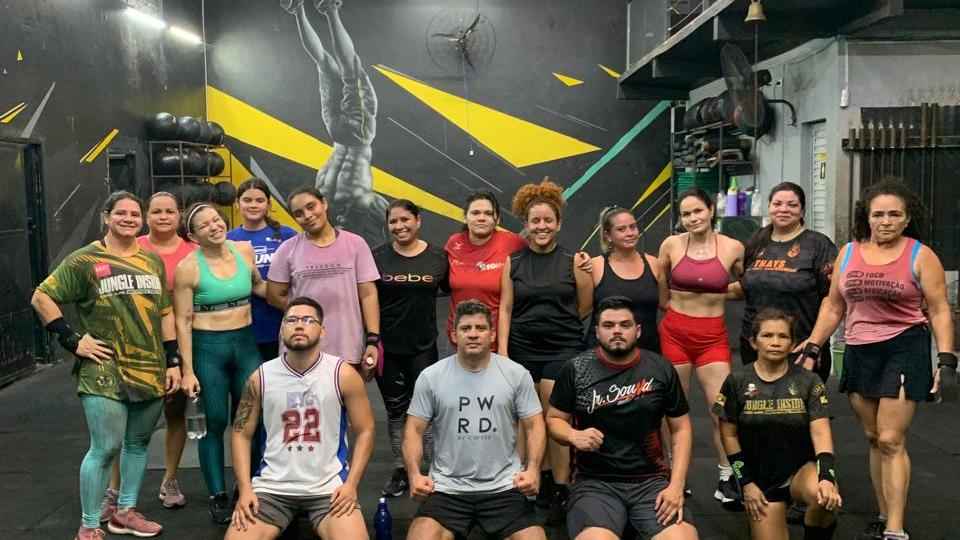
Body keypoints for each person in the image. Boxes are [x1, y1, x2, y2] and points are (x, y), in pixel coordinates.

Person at [799, 180, 956, 540]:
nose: (886, 221)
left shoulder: (920, 255)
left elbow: (939, 310)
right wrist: (813, 347)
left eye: (894, 214)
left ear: (907, 218)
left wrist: (946, 361)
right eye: (878, 214)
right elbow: (834, 305)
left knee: (890, 439)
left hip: (904, 347)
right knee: (872, 437)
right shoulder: (849, 252)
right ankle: (884, 515)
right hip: (859, 348)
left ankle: (896, 530)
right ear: (866, 217)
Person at [31, 191, 181, 540]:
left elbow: (165, 313)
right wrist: (72, 340)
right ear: (106, 217)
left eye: (134, 214)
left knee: (138, 443)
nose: (128, 219)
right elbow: (41, 296)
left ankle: (124, 512)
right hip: (104, 368)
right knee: (106, 447)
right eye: (121, 213)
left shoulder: (151, 260)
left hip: (149, 367)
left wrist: (173, 361)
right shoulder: (85, 259)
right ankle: (88, 525)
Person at [546, 296, 698, 540]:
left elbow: (681, 428)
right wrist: (573, 435)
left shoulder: (660, 368)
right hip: (595, 484)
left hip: (651, 481)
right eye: (609, 325)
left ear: (638, 331)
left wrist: (676, 485)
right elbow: (554, 419)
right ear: (597, 332)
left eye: (625, 325)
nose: (617, 331)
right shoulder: (576, 369)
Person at [226, 297, 375, 540]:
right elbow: (241, 433)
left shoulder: (342, 374)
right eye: (291, 320)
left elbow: (366, 429)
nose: (299, 325)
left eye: (308, 320)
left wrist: (351, 485)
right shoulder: (261, 377)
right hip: (272, 488)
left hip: (328, 488)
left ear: (322, 331)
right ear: (281, 328)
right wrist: (245, 489)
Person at [403, 300, 547, 540]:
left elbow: (535, 426)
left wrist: (533, 470)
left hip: (503, 488)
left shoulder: (516, 374)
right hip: (448, 489)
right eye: (465, 328)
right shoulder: (431, 377)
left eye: (480, 328)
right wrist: (414, 475)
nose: (473, 334)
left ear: (492, 334)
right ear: (453, 335)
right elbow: (414, 431)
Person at [498, 179, 593, 523]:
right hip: (522, 349)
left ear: (559, 224)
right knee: (528, 419)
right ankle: (533, 480)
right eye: (535, 220)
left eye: (548, 220)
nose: (541, 226)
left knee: (555, 416)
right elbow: (505, 309)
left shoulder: (574, 261)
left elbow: (584, 306)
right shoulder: (513, 262)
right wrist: (503, 354)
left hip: (562, 349)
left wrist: (558, 328)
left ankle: (562, 487)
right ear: (525, 224)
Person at [174, 203, 267, 524]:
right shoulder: (188, 268)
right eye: (205, 225)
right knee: (213, 423)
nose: (214, 227)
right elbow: (183, 321)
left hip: (245, 346)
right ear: (193, 236)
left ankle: (247, 487)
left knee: (249, 420)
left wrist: (295, 297)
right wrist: (187, 371)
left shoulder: (244, 251)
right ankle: (218, 495)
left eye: (216, 220)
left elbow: (259, 286)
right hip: (207, 350)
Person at [714, 308, 841, 540]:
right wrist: (746, 484)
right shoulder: (737, 382)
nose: (775, 342)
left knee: (825, 499)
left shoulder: (809, 381)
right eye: (767, 335)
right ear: (754, 342)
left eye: (783, 336)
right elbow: (729, 436)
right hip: (761, 480)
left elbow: (821, 433)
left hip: (801, 470)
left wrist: (826, 477)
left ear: (792, 344)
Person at [658, 187, 744, 506]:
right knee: (673, 410)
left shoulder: (733, 247)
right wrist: (672, 306)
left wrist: (720, 291)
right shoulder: (672, 244)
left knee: (720, 409)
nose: (692, 218)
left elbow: (750, 283)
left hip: (713, 337)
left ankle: (727, 476)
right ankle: (671, 474)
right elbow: (660, 283)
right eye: (686, 214)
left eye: (698, 211)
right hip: (675, 334)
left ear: (711, 210)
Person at [282, 0, 388, 243]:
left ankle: (301, 10)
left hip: (343, 137)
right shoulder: (357, 201)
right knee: (347, 71)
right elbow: (388, 220)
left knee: (329, 65)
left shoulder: (334, 200)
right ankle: (324, 10)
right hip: (352, 136)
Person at [372, 199, 448, 497]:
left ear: (418, 220)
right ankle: (403, 470)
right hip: (387, 348)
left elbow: (457, 289)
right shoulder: (377, 257)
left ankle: (434, 470)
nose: (399, 226)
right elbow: (366, 299)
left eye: (405, 219)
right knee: (396, 411)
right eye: (393, 221)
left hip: (423, 348)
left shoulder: (439, 257)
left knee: (426, 412)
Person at [266, 186, 380, 381]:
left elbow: (368, 294)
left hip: (346, 345)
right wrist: (307, 316)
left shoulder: (356, 244)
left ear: (324, 204)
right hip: (300, 348)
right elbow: (274, 295)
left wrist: (373, 340)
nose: (308, 215)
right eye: (299, 213)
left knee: (346, 399)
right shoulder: (287, 250)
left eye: (311, 207)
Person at [730, 182, 837, 382]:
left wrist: (814, 345)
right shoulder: (756, 241)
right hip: (755, 347)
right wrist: (699, 289)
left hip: (800, 349)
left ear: (802, 210)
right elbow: (747, 287)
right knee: (755, 401)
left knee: (799, 402)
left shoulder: (818, 245)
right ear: (769, 207)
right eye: (777, 204)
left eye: (792, 205)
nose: (784, 209)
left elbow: (831, 300)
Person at [227, 178, 299, 362]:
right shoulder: (228, 240)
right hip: (244, 328)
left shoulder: (288, 235)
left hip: (282, 325)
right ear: (237, 203)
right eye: (247, 200)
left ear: (268, 204)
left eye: (259, 200)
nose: (253, 205)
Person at [444, 191, 526, 352]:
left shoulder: (514, 243)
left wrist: (578, 262)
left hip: (498, 345)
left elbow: (542, 256)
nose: (481, 218)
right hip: (458, 343)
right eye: (475, 213)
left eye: (488, 213)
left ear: (497, 219)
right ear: (465, 217)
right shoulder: (454, 242)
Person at [586, 206, 668, 353]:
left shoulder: (654, 264)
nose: (630, 233)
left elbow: (667, 304)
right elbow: (582, 310)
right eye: (621, 229)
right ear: (608, 236)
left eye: (633, 227)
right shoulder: (595, 266)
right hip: (602, 354)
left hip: (647, 352)